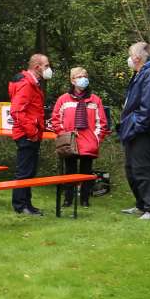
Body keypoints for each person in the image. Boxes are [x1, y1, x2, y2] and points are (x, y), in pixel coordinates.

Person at [119, 42, 150, 219]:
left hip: (141, 130)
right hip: (132, 128)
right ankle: (141, 204)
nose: (129, 59)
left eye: (130, 55)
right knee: (131, 168)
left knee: (142, 168)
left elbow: (149, 105)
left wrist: (136, 126)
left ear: (137, 57)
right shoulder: (141, 73)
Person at [51, 67, 108, 207]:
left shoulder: (95, 100)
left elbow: (102, 123)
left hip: (88, 142)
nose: (82, 78)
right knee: (69, 172)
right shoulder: (63, 99)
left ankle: (85, 200)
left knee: (86, 172)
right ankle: (68, 199)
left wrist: (96, 139)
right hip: (69, 142)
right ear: (72, 80)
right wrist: (65, 135)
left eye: (84, 76)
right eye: (78, 76)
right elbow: (56, 120)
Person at [7, 53, 51, 216]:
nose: (48, 69)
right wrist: (32, 131)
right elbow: (17, 111)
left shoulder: (32, 83)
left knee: (29, 171)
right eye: (46, 66)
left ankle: (27, 204)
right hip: (26, 134)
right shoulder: (26, 84)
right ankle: (20, 205)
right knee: (24, 171)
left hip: (31, 133)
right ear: (37, 67)